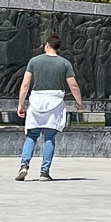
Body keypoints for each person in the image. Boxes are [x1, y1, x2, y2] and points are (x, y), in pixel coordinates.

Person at [16, 35, 84, 181]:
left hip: (36, 101)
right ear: (58, 47)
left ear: (47, 45)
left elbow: (25, 84)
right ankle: (44, 172)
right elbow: (73, 85)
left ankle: (24, 165)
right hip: (55, 102)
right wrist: (79, 103)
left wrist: (21, 104)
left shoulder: (34, 61)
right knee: (49, 137)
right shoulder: (64, 64)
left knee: (31, 135)